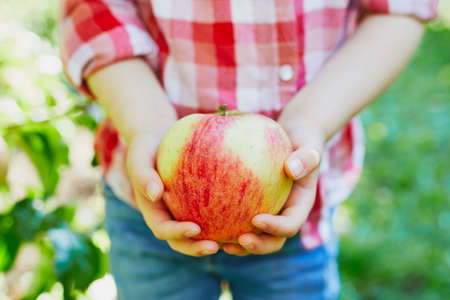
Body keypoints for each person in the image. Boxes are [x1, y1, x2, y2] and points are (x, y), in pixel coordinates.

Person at [61, 0, 438, 299]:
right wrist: (145, 123)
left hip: (293, 206)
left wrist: (310, 121)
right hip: (147, 201)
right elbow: (94, 10)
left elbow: (401, 9)